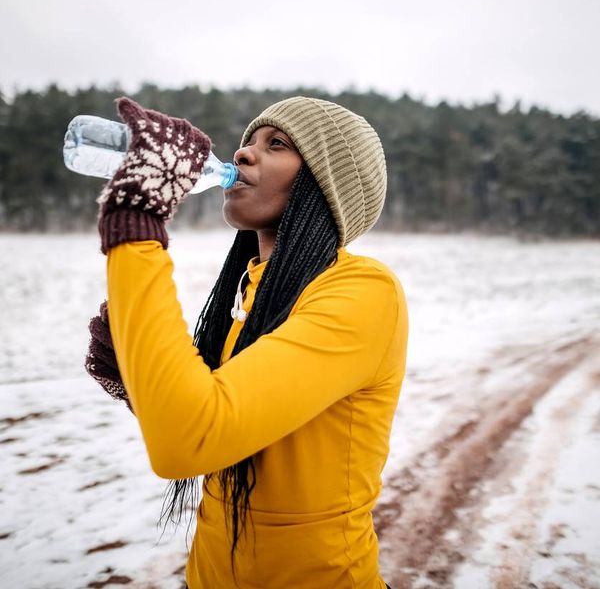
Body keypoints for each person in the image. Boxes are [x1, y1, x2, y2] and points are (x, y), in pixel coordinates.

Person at [85, 95, 408, 589]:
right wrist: (143, 382)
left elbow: (190, 440)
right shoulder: (251, 290)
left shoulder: (363, 293)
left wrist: (138, 220)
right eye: (246, 142)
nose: (241, 155)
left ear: (327, 183)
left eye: (276, 144)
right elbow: (215, 421)